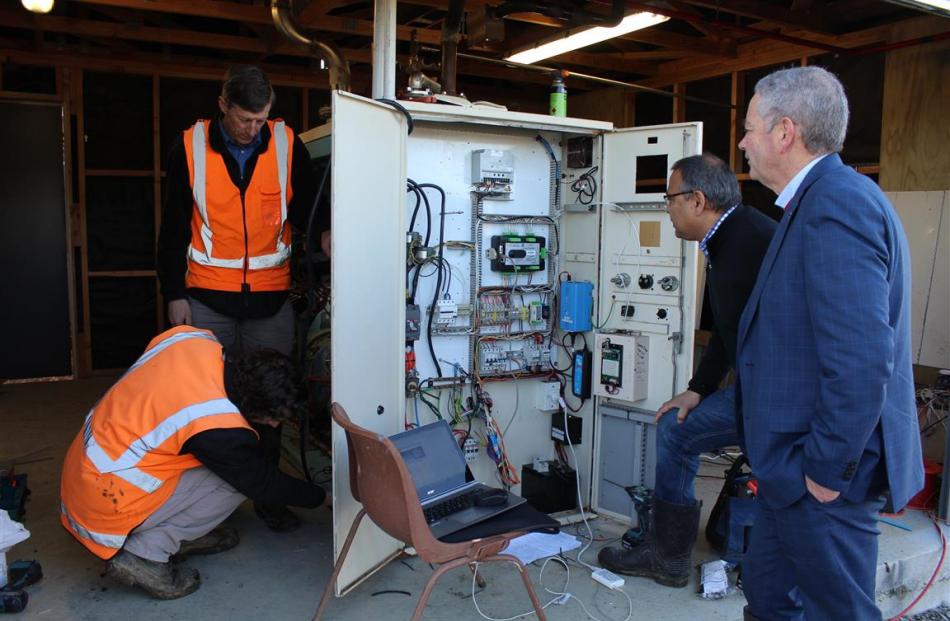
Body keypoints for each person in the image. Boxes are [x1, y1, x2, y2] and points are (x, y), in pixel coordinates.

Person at [735, 66, 923, 621]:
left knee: (837, 611)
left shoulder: (837, 204)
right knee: (769, 599)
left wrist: (823, 472)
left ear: (785, 132)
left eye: (750, 128)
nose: (743, 142)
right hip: (787, 472)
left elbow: (862, 359)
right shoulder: (814, 202)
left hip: (818, 475)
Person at [157, 65, 326, 532]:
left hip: (270, 302)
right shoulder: (188, 148)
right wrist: (174, 293)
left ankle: (268, 497)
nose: (253, 130)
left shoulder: (287, 145)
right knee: (210, 403)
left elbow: (315, 201)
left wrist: (328, 230)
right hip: (207, 298)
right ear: (223, 106)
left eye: (261, 120)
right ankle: (208, 508)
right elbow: (172, 228)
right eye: (244, 120)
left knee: (269, 405)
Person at [598, 153, 777, 587]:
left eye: (670, 198)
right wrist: (697, 388)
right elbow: (725, 329)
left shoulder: (749, 242)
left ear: (697, 200)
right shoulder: (731, 238)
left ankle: (668, 557)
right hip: (758, 388)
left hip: (774, 396)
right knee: (678, 421)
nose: (666, 208)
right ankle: (668, 551)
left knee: (678, 434)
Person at [60, 326, 328, 600]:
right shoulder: (215, 424)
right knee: (237, 482)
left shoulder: (193, 339)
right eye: (274, 418)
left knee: (221, 463)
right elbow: (263, 483)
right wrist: (321, 497)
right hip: (107, 504)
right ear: (252, 404)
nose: (275, 425)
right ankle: (146, 553)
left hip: (87, 470)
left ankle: (177, 533)